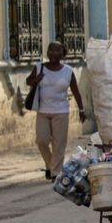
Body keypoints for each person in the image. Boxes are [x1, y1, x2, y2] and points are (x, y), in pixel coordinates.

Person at [25, 41, 85, 180]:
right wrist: (36, 80)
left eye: (57, 50)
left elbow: (76, 92)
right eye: (50, 50)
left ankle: (55, 173)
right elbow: (28, 81)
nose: (53, 53)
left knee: (59, 144)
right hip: (43, 111)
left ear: (62, 54)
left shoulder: (68, 71)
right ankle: (50, 165)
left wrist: (81, 109)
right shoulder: (39, 68)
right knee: (41, 141)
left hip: (61, 111)